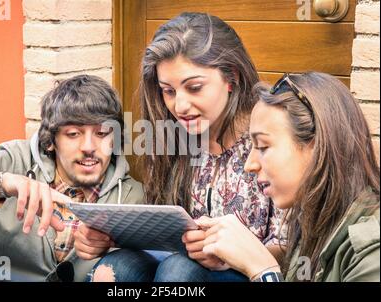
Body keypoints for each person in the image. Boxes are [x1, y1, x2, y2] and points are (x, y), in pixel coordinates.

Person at [84, 12, 287, 282]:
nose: (178, 106)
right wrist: (108, 237)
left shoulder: (267, 137)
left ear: (232, 77)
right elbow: (163, 235)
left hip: (245, 271)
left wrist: (228, 254)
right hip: (176, 265)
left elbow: (290, 247)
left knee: (179, 271)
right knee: (115, 266)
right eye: (168, 90)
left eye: (194, 87)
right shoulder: (171, 135)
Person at [0, 74, 144, 282]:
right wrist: (2, 184)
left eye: (102, 133)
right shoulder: (14, 160)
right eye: (73, 134)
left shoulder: (132, 196)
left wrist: (112, 250)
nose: (89, 147)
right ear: (51, 140)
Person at [199, 72, 380, 282]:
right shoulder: (313, 223)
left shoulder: (371, 251)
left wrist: (263, 272)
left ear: (317, 146)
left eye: (263, 147)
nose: (250, 165)